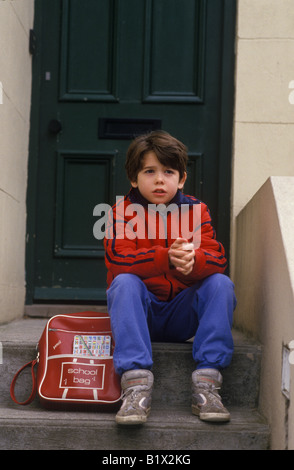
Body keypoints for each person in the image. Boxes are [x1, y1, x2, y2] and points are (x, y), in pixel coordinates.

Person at [104, 130, 236, 425]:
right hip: (142, 315)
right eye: (149, 171)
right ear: (134, 179)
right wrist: (165, 258)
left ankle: (207, 382)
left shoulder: (197, 211)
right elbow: (118, 258)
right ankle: (135, 385)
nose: (160, 179)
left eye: (168, 171)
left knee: (220, 284)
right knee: (124, 282)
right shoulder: (120, 212)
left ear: (182, 178)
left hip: (181, 315)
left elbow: (217, 258)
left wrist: (193, 262)